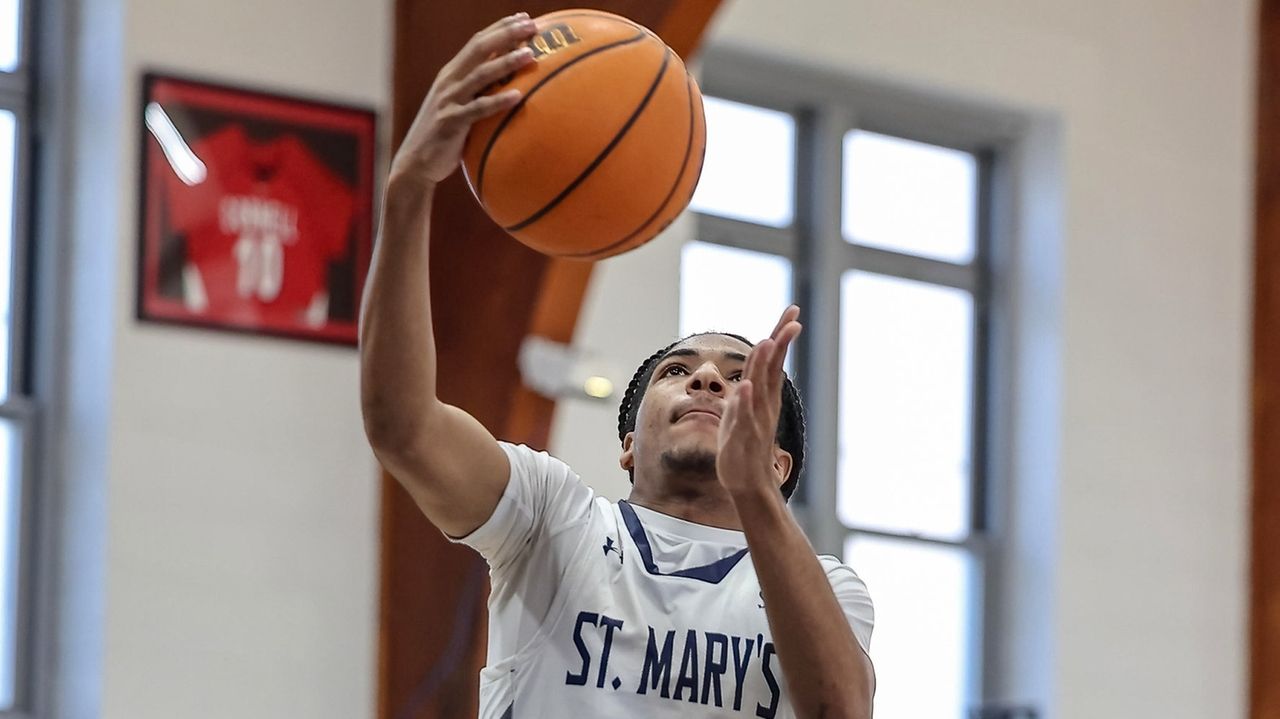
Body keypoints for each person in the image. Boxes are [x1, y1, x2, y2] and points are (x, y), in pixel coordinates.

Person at [359, 12, 875, 718]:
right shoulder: (552, 519)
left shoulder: (830, 588)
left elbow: (841, 710)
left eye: (737, 377)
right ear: (628, 444)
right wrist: (408, 188)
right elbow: (403, 426)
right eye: (677, 370)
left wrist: (751, 493)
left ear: (778, 463)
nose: (706, 378)